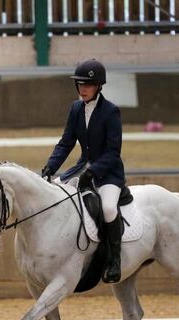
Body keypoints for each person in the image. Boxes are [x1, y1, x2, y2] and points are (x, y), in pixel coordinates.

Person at [41, 59, 125, 284]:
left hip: (108, 173)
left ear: (99, 86)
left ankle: (114, 260)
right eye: (79, 84)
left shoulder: (111, 111)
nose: (83, 88)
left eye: (88, 84)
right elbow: (66, 142)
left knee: (108, 208)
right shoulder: (76, 108)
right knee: (55, 195)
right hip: (80, 168)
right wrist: (51, 166)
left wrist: (94, 171)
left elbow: (113, 151)